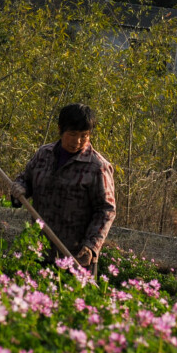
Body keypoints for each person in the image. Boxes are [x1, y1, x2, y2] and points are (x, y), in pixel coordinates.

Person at [10, 103, 116, 270]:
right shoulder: (44, 155)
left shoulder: (97, 167)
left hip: (75, 257)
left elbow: (106, 210)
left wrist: (91, 246)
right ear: (60, 129)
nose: (78, 141)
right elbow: (26, 179)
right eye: (72, 134)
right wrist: (20, 187)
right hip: (38, 250)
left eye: (84, 135)